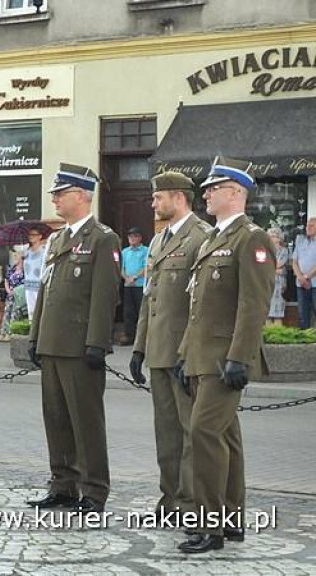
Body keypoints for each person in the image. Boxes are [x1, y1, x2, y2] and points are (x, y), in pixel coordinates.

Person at [176, 157, 275, 554]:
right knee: (226, 439)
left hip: (225, 359)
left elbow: (254, 305)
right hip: (203, 356)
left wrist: (240, 357)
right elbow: (198, 306)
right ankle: (231, 521)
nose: (206, 194)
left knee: (203, 433)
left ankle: (210, 525)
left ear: (235, 193)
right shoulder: (214, 237)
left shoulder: (251, 238)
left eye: (214, 188)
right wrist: (185, 353)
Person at [27, 163, 121, 514]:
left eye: (60, 193)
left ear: (81, 196)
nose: (54, 199)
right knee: (57, 419)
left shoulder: (102, 238)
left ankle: (94, 491)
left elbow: (104, 295)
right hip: (52, 343)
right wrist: (36, 338)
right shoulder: (58, 238)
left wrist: (97, 342)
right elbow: (46, 292)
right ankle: (63, 485)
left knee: (86, 423)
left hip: (80, 347)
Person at [129, 172, 212, 522]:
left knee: (190, 432)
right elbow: (151, 299)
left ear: (178, 198)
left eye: (157, 197)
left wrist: (188, 351)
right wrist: (138, 348)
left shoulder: (202, 237)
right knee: (166, 433)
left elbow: (203, 305)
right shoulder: (159, 240)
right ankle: (170, 501)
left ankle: (192, 503)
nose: (153, 203)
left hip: (183, 354)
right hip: (159, 351)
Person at [120, 227, 148, 345]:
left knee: (141, 311)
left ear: (140, 238)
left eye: (135, 236)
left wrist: (135, 277)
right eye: (130, 237)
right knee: (128, 311)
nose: (132, 239)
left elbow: (147, 266)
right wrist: (126, 278)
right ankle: (129, 335)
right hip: (128, 285)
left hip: (140, 285)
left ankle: (142, 337)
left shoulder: (146, 250)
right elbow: (121, 267)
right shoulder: (125, 252)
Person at [292, 218, 316, 329]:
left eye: (311, 226)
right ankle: (304, 340)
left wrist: (307, 277)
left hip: (314, 283)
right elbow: (294, 261)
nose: (308, 228)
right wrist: (300, 278)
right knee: (302, 312)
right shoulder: (300, 241)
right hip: (301, 283)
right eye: (307, 225)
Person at [0, 250, 25, 342]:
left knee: (15, 314)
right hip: (10, 294)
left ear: (21, 258)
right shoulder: (12, 268)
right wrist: (8, 290)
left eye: (16, 256)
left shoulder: (25, 270)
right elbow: (6, 280)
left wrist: (16, 290)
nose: (15, 258)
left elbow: (26, 282)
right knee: (7, 313)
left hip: (19, 295)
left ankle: (10, 333)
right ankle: (3, 333)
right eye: (14, 256)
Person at [267, 228, 291, 324]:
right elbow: (263, 265)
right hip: (267, 282)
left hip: (279, 284)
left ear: (279, 238)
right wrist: (275, 270)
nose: (270, 238)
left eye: (273, 236)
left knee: (277, 312)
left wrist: (270, 268)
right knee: (267, 312)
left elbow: (279, 264)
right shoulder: (265, 250)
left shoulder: (284, 251)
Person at [24, 227, 47, 315]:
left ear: (40, 236)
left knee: (39, 311)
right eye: (30, 235)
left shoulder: (44, 251)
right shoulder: (27, 251)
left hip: (38, 285)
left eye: (34, 235)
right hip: (28, 285)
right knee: (30, 311)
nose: (31, 237)